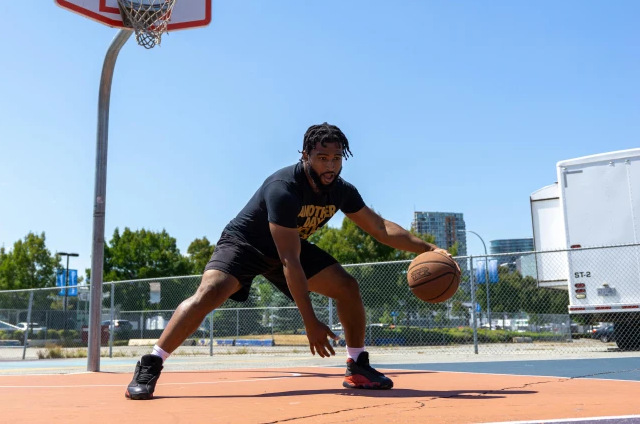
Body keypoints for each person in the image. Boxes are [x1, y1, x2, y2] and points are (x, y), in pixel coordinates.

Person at [126, 123, 456, 400]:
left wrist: (428, 248)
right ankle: (151, 362)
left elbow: (380, 228)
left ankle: (357, 365)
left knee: (347, 287)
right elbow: (289, 262)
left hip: (289, 248)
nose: (330, 166)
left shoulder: (341, 190)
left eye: (337, 159)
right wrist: (310, 322)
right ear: (305, 156)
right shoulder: (283, 189)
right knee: (211, 292)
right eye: (322, 158)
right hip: (246, 244)